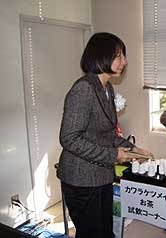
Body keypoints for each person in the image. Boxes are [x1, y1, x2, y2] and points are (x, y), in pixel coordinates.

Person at [56, 32, 152, 238]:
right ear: (101, 57)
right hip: (81, 179)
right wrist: (114, 155)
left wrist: (133, 148)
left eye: (123, 56)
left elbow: (107, 133)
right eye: (119, 56)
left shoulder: (106, 87)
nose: (124, 62)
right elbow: (69, 138)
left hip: (101, 175)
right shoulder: (83, 89)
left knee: (106, 231)